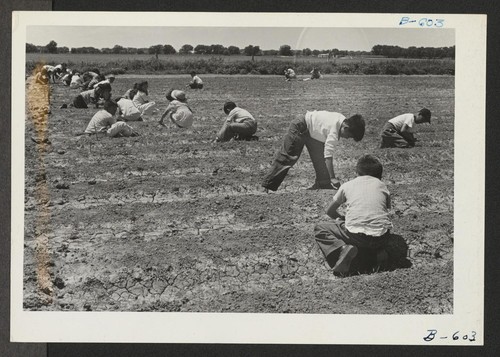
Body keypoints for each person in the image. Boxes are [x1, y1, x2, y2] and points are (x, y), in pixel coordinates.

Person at [313, 155, 392, 276]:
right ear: (379, 175)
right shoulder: (382, 186)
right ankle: (379, 251)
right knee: (377, 228)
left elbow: (329, 211)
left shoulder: (347, 185)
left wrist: (342, 219)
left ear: (357, 172)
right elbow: (385, 209)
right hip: (382, 237)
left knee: (320, 228)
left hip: (356, 236)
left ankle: (343, 249)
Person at [261, 110, 365, 192]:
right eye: (348, 136)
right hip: (300, 127)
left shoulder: (342, 119)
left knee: (319, 157)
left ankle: (323, 184)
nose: (346, 138)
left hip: (312, 132)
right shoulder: (334, 130)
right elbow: (328, 156)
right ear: (346, 128)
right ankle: (267, 186)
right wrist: (332, 177)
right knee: (288, 157)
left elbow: (324, 156)